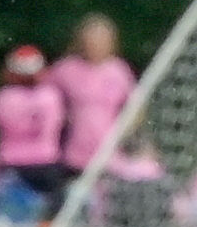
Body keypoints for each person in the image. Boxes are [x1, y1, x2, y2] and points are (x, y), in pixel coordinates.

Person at [46, 15, 138, 178]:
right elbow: (46, 100)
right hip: (72, 154)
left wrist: (122, 133)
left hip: (109, 156)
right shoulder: (65, 69)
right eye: (91, 41)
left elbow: (135, 108)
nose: (95, 46)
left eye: (101, 41)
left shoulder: (119, 70)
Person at [0, 45, 71, 203]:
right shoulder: (51, 96)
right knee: (53, 206)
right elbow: (59, 125)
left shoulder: (3, 97)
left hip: (10, 163)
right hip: (45, 161)